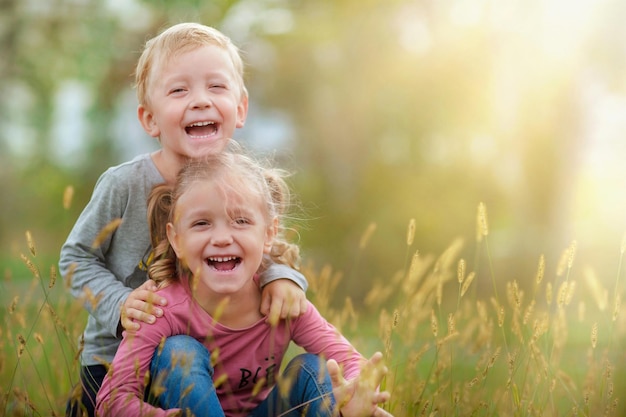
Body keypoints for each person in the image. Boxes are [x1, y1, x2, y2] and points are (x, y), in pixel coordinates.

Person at [60, 23, 308, 417]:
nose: (200, 101)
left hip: (214, 363)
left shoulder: (247, 184)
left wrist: (284, 277)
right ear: (150, 119)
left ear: (240, 108)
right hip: (118, 365)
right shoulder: (125, 184)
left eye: (216, 87)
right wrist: (119, 304)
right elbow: (74, 261)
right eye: (179, 90)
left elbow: (267, 248)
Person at [96, 145, 392, 417]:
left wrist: (353, 394)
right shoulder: (160, 309)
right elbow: (111, 398)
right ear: (177, 240)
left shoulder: (282, 302)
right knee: (179, 352)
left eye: (241, 221)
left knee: (314, 369)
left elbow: (353, 363)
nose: (223, 238)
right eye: (202, 223)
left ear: (268, 233)